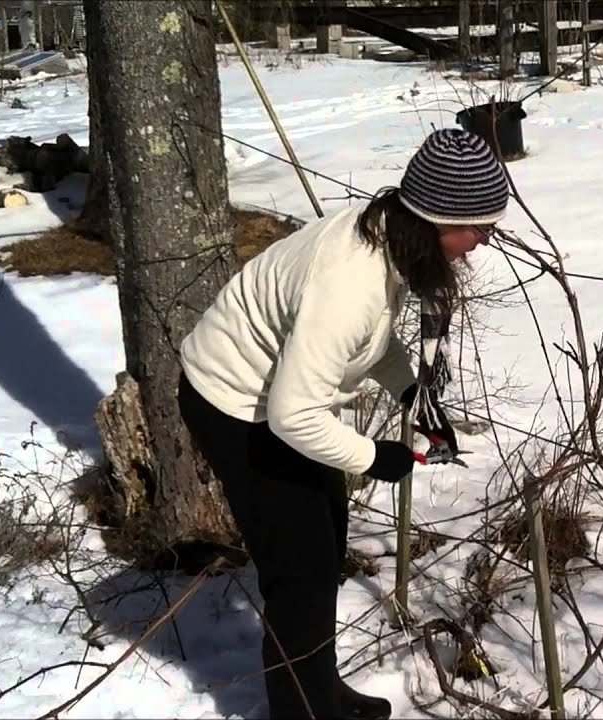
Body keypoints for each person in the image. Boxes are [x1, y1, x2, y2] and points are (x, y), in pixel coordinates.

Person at [175, 128, 509, 720]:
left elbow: (370, 341)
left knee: (323, 542)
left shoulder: (385, 237)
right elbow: (293, 415)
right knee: (299, 575)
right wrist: (375, 457)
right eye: (476, 227)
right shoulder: (350, 282)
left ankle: (318, 688)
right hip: (236, 404)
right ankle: (303, 710)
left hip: (279, 399)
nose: (480, 242)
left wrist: (413, 394)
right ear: (434, 220)